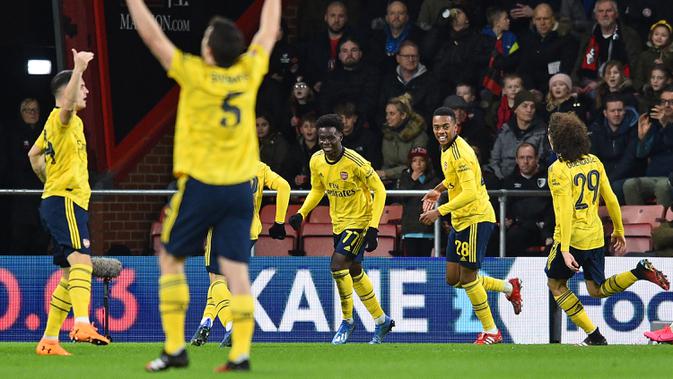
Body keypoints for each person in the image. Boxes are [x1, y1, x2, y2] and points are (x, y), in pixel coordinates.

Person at [125, 0, 280, 372]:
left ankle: (175, 348)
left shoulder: (194, 73)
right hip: (241, 189)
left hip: (201, 185)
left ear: (208, 50)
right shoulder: (248, 71)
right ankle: (240, 353)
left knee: (171, 259)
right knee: (237, 271)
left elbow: (153, 37)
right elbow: (269, 31)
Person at [545, 112, 669, 345]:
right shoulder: (593, 160)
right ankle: (638, 272)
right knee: (597, 289)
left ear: (556, 139)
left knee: (556, 284)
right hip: (595, 235)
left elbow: (563, 210)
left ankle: (595, 336)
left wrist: (563, 248)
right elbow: (611, 198)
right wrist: (618, 230)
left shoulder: (558, 169)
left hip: (572, 238)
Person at [29, 50, 111, 356]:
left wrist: (47, 178)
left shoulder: (63, 124)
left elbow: (34, 155)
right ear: (69, 93)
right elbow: (65, 104)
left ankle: (49, 340)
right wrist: (78, 68)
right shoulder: (62, 117)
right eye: (83, 86)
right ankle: (81, 323)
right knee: (82, 263)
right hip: (65, 200)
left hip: (60, 199)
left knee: (68, 275)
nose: (86, 91)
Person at [287, 114, 395, 345]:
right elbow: (318, 190)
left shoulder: (356, 163)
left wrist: (374, 228)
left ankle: (347, 321)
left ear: (341, 136)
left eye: (330, 138)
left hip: (359, 222)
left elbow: (380, 191)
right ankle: (381, 319)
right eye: (322, 138)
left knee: (337, 265)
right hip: (339, 223)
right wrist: (302, 213)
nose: (325, 142)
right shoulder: (316, 160)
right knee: (354, 270)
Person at [419, 107, 523, 344]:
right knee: (453, 278)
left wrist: (439, 211)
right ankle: (509, 288)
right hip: (460, 220)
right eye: (437, 127)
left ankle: (491, 332)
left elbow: (469, 193)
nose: (441, 131)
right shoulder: (446, 148)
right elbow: (454, 179)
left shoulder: (461, 153)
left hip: (476, 218)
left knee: (468, 277)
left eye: (446, 126)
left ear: (456, 127)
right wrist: (438, 189)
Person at [190, 161, 290, 348]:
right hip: (248, 232)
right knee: (221, 282)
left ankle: (232, 325)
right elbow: (284, 186)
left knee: (217, 280)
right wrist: (279, 222)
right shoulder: (259, 167)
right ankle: (206, 322)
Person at [8, 98, 50, 253]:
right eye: (29, 110)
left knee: (42, 237)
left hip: (43, 192)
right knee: (21, 237)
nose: (33, 113)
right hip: (23, 195)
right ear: (21, 113)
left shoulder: (46, 132)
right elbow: (17, 162)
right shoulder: (14, 135)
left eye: (36, 110)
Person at [623, 86, 673, 208]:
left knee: (662, 186)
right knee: (629, 185)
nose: (666, 105)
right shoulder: (654, 125)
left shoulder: (664, 124)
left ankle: (663, 225)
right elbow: (641, 153)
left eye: (671, 102)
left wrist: (666, 124)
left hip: (669, 179)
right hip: (653, 177)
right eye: (663, 102)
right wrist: (642, 138)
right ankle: (638, 224)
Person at [502, 143, 554, 256]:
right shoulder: (509, 182)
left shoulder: (549, 178)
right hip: (522, 228)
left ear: (536, 159)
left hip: (547, 227)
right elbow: (506, 209)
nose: (525, 161)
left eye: (529, 157)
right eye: (521, 158)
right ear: (516, 160)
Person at [589, 93, 642, 203]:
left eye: (620, 110)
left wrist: (608, 180)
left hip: (628, 176)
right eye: (612, 111)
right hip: (604, 176)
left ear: (625, 111)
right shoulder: (597, 131)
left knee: (616, 187)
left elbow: (629, 160)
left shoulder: (634, 130)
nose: (616, 114)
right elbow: (593, 158)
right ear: (605, 113)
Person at [377, 94, 429, 187]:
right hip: (389, 183)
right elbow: (386, 164)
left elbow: (417, 165)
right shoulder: (387, 135)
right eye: (387, 113)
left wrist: (387, 173)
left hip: (413, 182)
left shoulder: (419, 136)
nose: (387, 117)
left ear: (403, 115)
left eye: (392, 114)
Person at [396, 146, 440, 257]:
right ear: (410, 163)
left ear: (427, 163)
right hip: (410, 229)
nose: (418, 164)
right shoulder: (405, 177)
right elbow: (400, 197)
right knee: (411, 265)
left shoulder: (434, 180)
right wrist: (413, 180)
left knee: (425, 263)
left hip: (428, 230)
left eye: (422, 160)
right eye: (414, 161)